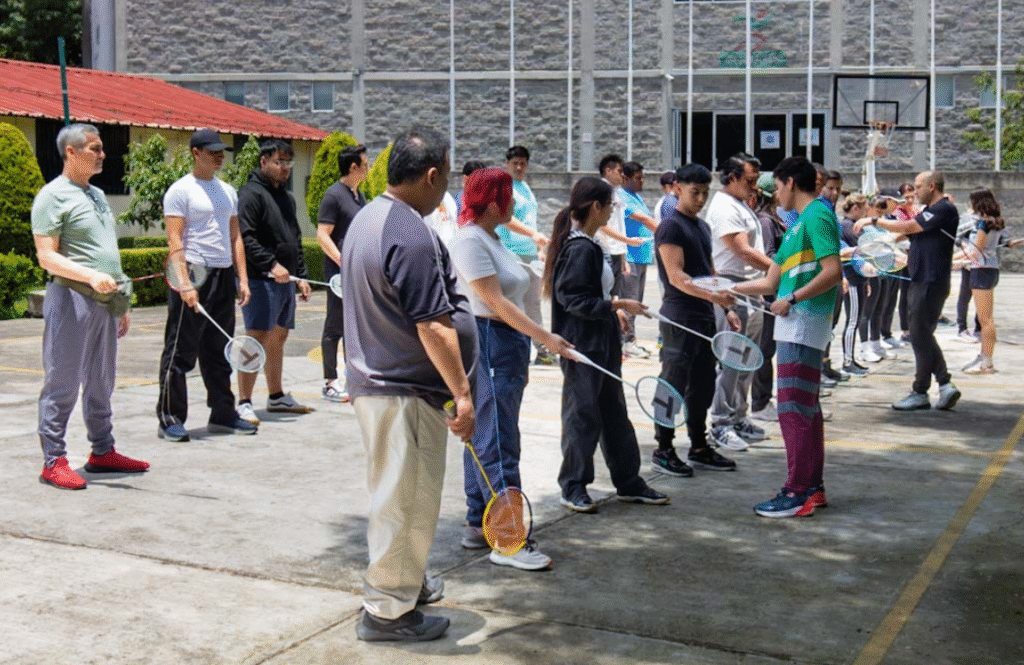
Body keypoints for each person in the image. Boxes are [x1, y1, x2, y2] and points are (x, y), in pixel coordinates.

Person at [342, 127, 476, 642]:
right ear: (431, 175)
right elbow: (433, 324)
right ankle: (388, 613)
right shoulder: (408, 231)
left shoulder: (369, 218)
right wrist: (462, 394)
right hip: (401, 389)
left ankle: (405, 583)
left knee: (397, 494)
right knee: (405, 501)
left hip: (379, 383)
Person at [450, 167, 573, 571]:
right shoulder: (469, 240)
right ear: (490, 203)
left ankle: (477, 520)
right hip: (490, 341)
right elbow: (497, 303)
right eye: (508, 197)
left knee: (488, 434)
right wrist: (546, 337)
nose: (515, 204)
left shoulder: (490, 237)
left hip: (505, 345)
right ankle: (509, 539)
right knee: (498, 442)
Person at [32, 123, 149, 489]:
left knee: (102, 381)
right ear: (71, 152)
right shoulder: (52, 196)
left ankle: (102, 450)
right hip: (71, 299)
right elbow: (46, 256)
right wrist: (87, 275)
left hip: (105, 302)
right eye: (94, 149)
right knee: (63, 382)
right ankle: (54, 461)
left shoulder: (97, 194)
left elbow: (107, 255)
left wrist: (121, 304)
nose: (102, 155)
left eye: (101, 149)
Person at [544, 176, 669, 513]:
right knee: (582, 416)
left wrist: (613, 309)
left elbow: (591, 294)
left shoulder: (590, 243)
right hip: (582, 346)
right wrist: (616, 306)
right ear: (596, 207)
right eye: (611, 206)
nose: (613, 212)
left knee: (614, 413)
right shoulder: (579, 247)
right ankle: (573, 486)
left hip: (602, 342)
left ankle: (628, 481)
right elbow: (572, 299)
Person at [733, 156, 842, 518]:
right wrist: (724, 287)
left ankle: (796, 492)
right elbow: (768, 282)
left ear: (791, 182)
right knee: (805, 410)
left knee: (793, 409)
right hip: (793, 325)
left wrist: (793, 298)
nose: (774, 193)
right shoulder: (795, 227)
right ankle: (812, 488)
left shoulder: (818, 215)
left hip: (803, 324)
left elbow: (832, 272)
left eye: (777, 186)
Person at [158, 128, 255, 441]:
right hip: (194, 271)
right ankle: (170, 417)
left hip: (223, 273)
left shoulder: (227, 190)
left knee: (219, 348)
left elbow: (235, 236)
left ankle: (223, 413)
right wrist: (184, 283)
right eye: (212, 151)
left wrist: (242, 278)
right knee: (180, 349)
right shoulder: (181, 190)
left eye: (221, 151)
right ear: (195, 153)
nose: (219, 156)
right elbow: (174, 237)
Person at [651, 163, 739, 478]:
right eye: (694, 192)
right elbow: (677, 277)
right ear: (677, 187)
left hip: (703, 316)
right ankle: (663, 448)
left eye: (704, 193)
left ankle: (699, 446)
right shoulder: (670, 226)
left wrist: (726, 307)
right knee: (672, 383)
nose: (700, 199)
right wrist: (714, 297)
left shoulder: (701, 226)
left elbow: (709, 272)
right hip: (679, 317)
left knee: (702, 383)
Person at [855, 171, 960, 411]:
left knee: (919, 334)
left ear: (932, 186)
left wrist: (874, 221)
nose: (915, 191)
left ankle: (926, 389)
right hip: (922, 278)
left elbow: (910, 225)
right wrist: (884, 242)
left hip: (930, 280)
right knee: (921, 333)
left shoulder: (943, 209)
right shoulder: (931, 211)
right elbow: (908, 231)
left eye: (919, 186)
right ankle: (941, 385)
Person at [236, 139, 313, 422]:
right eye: (278, 162)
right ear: (263, 162)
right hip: (260, 280)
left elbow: (295, 239)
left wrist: (301, 277)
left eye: (288, 163)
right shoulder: (250, 194)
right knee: (256, 338)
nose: (284, 168)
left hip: (285, 281)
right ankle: (244, 401)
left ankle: (276, 396)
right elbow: (245, 238)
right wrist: (271, 264)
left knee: (278, 337)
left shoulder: (286, 197)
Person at [705, 153, 770, 451]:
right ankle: (720, 422)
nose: (755, 186)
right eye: (750, 181)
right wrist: (777, 269)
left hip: (750, 286)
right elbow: (742, 250)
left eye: (757, 180)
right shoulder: (722, 207)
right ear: (731, 178)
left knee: (748, 358)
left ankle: (738, 415)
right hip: (733, 284)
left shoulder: (741, 204)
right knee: (731, 358)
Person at [315, 143, 368, 403]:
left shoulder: (359, 195)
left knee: (353, 328)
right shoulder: (333, 196)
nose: (368, 169)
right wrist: (341, 261)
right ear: (353, 167)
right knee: (334, 326)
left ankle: (353, 377)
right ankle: (329, 382)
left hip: (357, 273)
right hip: (338, 274)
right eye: (365, 165)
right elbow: (322, 235)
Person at [496, 146, 555, 365]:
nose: (519, 167)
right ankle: (508, 349)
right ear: (507, 164)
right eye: (515, 163)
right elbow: (505, 218)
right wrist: (532, 234)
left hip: (530, 254)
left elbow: (532, 221)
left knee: (533, 303)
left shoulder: (526, 189)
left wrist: (539, 248)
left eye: (523, 163)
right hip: (510, 253)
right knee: (511, 304)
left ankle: (542, 350)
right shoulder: (504, 188)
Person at [960, 188, 1022, 374]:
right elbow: (1003, 244)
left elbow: (976, 251)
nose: (970, 205)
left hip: (981, 271)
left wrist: (955, 260)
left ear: (977, 202)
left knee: (985, 320)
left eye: (971, 201)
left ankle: (987, 362)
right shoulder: (996, 221)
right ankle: (984, 356)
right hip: (990, 269)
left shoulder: (982, 223)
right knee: (985, 319)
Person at [750, 173, 788, 421]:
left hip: (777, 289)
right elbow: (769, 256)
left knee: (769, 349)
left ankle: (765, 398)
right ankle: (760, 403)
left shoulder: (775, 219)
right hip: (769, 292)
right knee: (763, 350)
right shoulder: (765, 222)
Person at [619, 161, 658, 358]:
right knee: (629, 301)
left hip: (641, 256)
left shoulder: (636, 197)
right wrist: (670, 233)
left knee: (637, 301)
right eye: (638, 178)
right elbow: (645, 220)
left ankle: (630, 341)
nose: (642, 181)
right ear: (624, 178)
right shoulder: (622, 198)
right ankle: (626, 341)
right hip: (630, 257)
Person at [596, 154, 645, 298]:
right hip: (605, 250)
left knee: (615, 296)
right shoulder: (600, 190)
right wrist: (628, 241)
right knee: (605, 294)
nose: (622, 175)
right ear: (608, 171)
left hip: (617, 251)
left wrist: (623, 257)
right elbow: (601, 225)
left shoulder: (616, 192)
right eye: (619, 171)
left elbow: (619, 224)